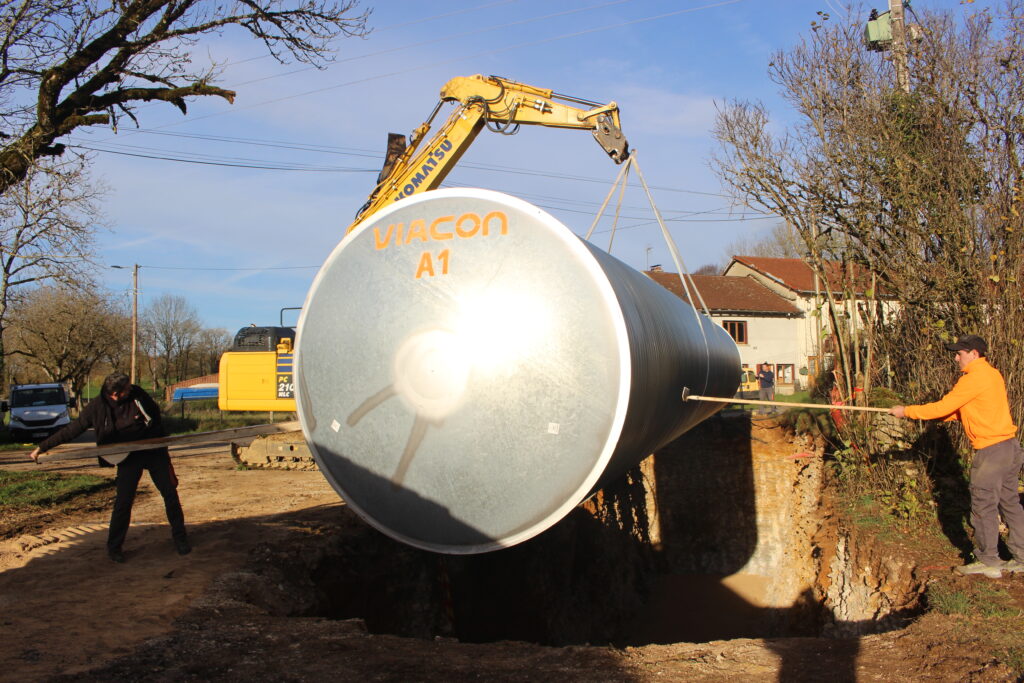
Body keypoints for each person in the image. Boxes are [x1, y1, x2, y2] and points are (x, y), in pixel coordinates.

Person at [889, 335, 1024, 579]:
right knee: (1010, 503)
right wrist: (938, 416)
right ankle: (1022, 557)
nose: (955, 358)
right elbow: (966, 410)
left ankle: (989, 560)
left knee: (983, 505)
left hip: (991, 451)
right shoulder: (992, 374)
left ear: (974, 353)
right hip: (1010, 448)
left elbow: (943, 406)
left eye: (959, 353)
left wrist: (906, 412)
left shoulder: (973, 378)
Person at [29, 373, 190, 563]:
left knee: (169, 493)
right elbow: (73, 429)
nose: (131, 389)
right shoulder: (97, 407)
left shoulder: (137, 394)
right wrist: (42, 447)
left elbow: (154, 414)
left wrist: (152, 431)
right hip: (127, 458)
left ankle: (180, 539)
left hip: (153, 451)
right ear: (115, 394)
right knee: (123, 502)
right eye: (126, 389)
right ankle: (114, 548)